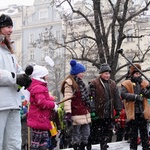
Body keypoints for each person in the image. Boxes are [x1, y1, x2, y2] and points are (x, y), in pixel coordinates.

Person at [0, 14, 32, 150]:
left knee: (13, 143)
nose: (11, 30)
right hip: (1, 104)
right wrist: (15, 78)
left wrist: (24, 78)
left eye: (12, 26)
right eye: (8, 27)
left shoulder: (9, 51)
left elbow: (17, 71)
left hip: (13, 103)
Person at [88, 63, 122, 150]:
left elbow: (117, 98)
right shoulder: (94, 83)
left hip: (108, 113)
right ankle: (89, 145)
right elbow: (91, 97)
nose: (107, 75)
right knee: (94, 132)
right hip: (98, 112)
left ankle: (104, 145)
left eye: (108, 73)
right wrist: (92, 110)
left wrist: (118, 109)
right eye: (105, 73)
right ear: (101, 73)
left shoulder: (113, 84)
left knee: (107, 131)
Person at [60, 59, 91, 150]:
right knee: (76, 135)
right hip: (76, 112)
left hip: (83, 111)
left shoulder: (81, 83)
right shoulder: (69, 84)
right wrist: (68, 113)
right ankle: (77, 148)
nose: (83, 74)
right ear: (76, 72)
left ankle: (82, 146)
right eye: (81, 72)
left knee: (86, 133)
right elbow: (67, 99)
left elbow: (85, 98)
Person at [27, 65, 58, 150]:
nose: (47, 76)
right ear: (42, 76)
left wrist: (51, 100)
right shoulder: (38, 87)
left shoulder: (40, 87)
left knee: (43, 142)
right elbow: (41, 103)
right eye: (46, 74)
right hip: (38, 120)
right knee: (37, 143)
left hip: (42, 120)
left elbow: (44, 98)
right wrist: (53, 105)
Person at [121, 64, 150, 150]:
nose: (138, 75)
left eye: (139, 73)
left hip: (142, 112)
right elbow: (123, 94)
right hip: (133, 113)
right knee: (133, 136)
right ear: (132, 74)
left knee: (144, 135)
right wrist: (135, 96)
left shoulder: (144, 83)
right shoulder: (127, 83)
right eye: (136, 73)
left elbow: (148, 95)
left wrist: (146, 91)